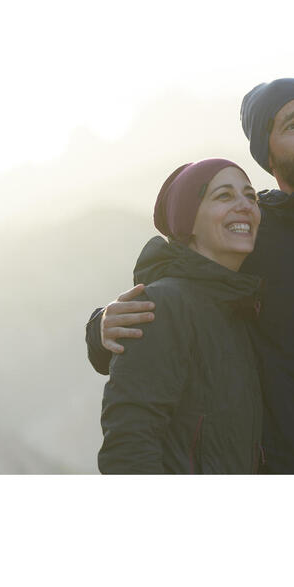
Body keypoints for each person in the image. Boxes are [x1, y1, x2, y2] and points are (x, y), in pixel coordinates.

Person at [87, 80, 294, 473]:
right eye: (293, 125)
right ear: (266, 153)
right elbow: (180, 275)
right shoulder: (250, 232)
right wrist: (101, 325)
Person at [99, 158, 264, 474]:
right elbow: (128, 446)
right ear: (188, 220)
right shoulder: (162, 306)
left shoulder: (239, 307)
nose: (245, 205)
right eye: (224, 196)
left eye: (251, 196)